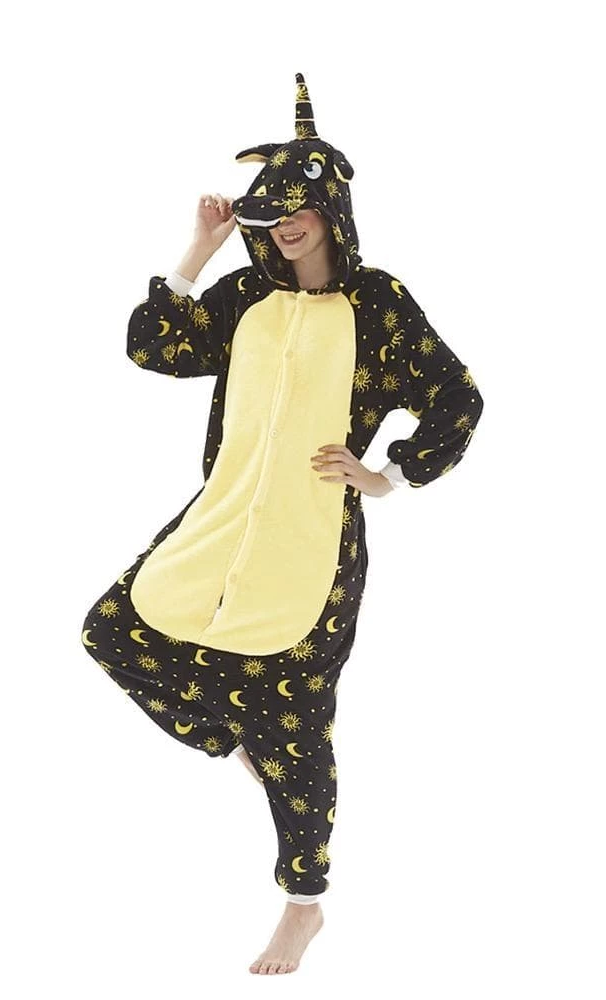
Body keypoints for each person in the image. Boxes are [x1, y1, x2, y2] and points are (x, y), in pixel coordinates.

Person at [81, 72, 485, 975]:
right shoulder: (244, 296)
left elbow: (456, 397)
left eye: (299, 209)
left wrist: (386, 477)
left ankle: (303, 906)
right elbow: (154, 346)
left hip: (315, 541)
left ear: (331, 209)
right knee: (111, 631)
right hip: (218, 521)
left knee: (299, 726)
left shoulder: (380, 304)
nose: (286, 225)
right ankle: (240, 742)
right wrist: (198, 249)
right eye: (271, 213)